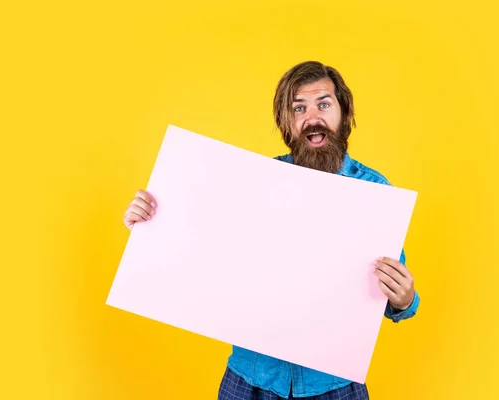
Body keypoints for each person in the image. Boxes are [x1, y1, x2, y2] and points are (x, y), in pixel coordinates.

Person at [123, 61, 420, 399]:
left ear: (343, 113)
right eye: (299, 108)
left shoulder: (376, 192)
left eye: (324, 104)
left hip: (333, 385)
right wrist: (149, 224)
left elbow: (394, 300)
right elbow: (200, 248)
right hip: (251, 378)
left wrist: (404, 298)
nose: (313, 117)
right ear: (286, 121)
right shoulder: (255, 182)